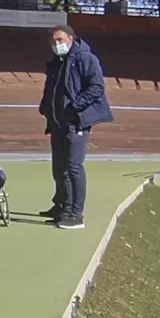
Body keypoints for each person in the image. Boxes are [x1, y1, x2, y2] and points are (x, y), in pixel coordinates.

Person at [39, 24, 113, 230]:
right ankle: (62, 206)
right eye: (53, 41)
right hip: (57, 123)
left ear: (71, 39)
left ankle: (75, 214)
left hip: (75, 122)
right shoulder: (57, 62)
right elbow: (52, 89)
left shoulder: (85, 59)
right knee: (59, 167)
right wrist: (45, 107)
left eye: (60, 40)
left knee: (73, 167)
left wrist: (74, 107)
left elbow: (96, 87)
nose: (56, 44)